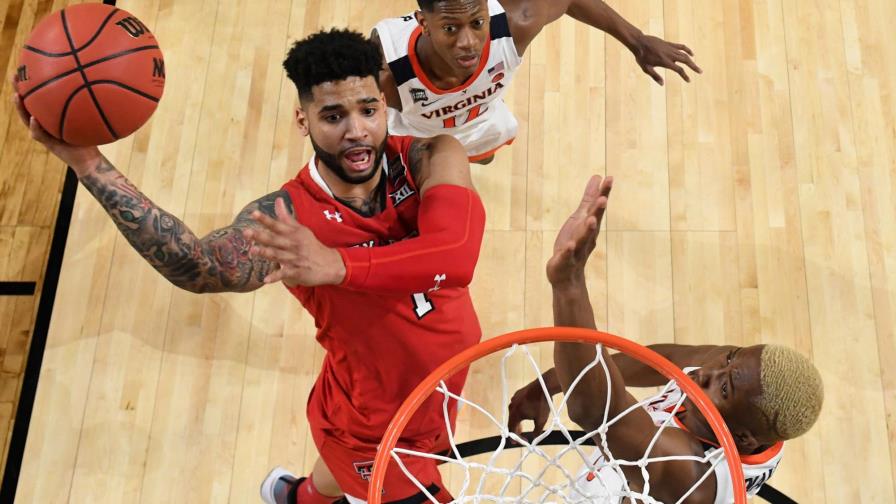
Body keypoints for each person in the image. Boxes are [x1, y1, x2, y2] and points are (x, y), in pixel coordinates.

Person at [13, 29, 486, 504]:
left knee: (334, 475)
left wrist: (337, 264)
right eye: (332, 116)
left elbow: (455, 256)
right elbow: (197, 265)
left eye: (367, 110)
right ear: (303, 120)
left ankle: (296, 497)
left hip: (438, 387)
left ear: (384, 105)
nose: (356, 131)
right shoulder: (287, 220)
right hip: (375, 425)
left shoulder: (430, 157)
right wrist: (88, 163)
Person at [507, 175, 824, 502]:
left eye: (723, 388)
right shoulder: (741, 386)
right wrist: (548, 383)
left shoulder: (692, 475)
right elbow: (663, 362)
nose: (707, 371)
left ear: (742, 440)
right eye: (730, 359)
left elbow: (597, 412)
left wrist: (569, 285)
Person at [373, 0, 702, 163]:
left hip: (480, 124)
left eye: (477, 23)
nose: (468, 43)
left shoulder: (516, 23)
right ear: (423, 23)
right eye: (450, 29)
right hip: (416, 139)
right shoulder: (386, 70)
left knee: (485, 158)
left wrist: (637, 41)